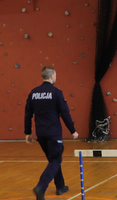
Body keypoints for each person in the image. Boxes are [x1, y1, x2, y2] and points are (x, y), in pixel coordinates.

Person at [24, 66, 79, 200]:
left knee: (53, 160)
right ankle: (41, 186)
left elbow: (27, 114)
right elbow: (65, 113)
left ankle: (60, 186)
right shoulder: (56, 92)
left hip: (40, 134)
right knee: (56, 159)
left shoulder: (33, 93)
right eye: (56, 75)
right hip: (53, 133)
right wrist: (73, 130)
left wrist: (28, 133)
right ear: (53, 76)